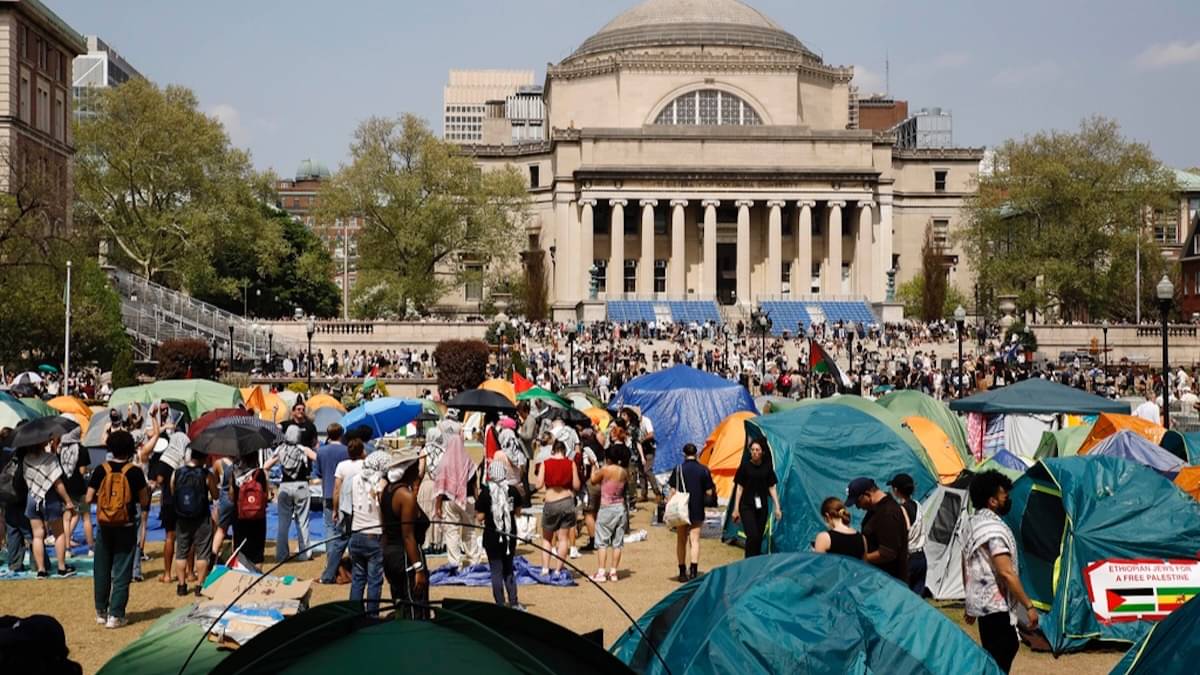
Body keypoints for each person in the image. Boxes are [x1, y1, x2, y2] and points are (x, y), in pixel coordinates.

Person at [963, 470, 1039, 673]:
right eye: (1004, 495)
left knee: (995, 654)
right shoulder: (992, 530)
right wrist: (1028, 605)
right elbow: (1006, 572)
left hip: (984, 605)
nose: (1008, 499)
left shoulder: (973, 524)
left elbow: (968, 566)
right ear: (992, 501)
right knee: (1004, 650)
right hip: (996, 606)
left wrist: (970, 602)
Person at [88, 431, 150, 629]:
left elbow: (88, 498)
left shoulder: (101, 470)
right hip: (126, 524)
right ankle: (116, 614)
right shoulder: (134, 471)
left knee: (102, 567)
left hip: (105, 524)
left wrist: (105, 503)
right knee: (122, 569)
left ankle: (100, 611)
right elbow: (144, 500)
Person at [381, 446, 430, 620]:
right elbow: (408, 535)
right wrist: (418, 569)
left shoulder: (387, 491)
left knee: (400, 605)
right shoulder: (405, 496)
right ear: (408, 469)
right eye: (416, 466)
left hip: (390, 555)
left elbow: (384, 529)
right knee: (414, 608)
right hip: (406, 556)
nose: (418, 469)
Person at [21, 436, 77, 578]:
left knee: (37, 536)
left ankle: (41, 570)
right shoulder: (50, 459)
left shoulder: (26, 459)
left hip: (32, 498)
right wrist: (68, 500)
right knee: (59, 533)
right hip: (50, 498)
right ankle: (62, 567)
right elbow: (57, 483)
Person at [264, 425, 318, 562]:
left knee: (283, 523)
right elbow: (316, 457)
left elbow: (266, 466)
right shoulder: (302, 450)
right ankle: (304, 553)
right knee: (303, 521)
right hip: (301, 486)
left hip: (284, 487)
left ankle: (281, 555)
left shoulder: (281, 449)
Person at [475, 460, 523, 608]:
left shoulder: (486, 493)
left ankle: (500, 604)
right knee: (509, 569)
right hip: (509, 536)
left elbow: (480, 517)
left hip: (492, 536)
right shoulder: (513, 491)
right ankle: (514, 601)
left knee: (496, 571)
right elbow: (518, 512)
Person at [433, 421, 481, 571]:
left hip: (449, 502)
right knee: (470, 531)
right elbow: (474, 485)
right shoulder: (468, 460)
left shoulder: (444, 462)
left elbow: (440, 487)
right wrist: (478, 504)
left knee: (452, 532)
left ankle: (455, 563)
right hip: (468, 500)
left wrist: (437, 506)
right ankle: (474, 561)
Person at [171, 449, 218, 597]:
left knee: (181, 552)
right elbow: (215, 494)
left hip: (182, 518)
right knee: (203, 552)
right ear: (204, 458)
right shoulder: (206, 474)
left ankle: (181, 585)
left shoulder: (177, 473)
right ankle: (199, 586)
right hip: (202, 518)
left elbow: (173, 492)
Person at [348, 450, 390, 615]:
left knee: (358, 578)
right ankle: (371, 616)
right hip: (374, 533)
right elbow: (383, 510)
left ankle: (353, 614)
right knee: (374, 580)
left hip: (356, 531)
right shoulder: (381, 482)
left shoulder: (355, 479)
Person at [847, 477, 909, 583]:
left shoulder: (888, 513)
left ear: (867, 495)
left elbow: (888, 553)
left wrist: (863, 558)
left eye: (857, 502)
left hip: (889, 580)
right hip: (877, 577)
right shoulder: (875, 510)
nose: (857, 507)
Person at [667, 443, 716, 580]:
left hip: (681, 508)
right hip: (697, 507)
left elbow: (672, 490)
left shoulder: (678, 470)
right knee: (695, 540)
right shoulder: (703, 470)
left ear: (684, 454)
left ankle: (682, 572)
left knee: (681, 540)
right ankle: (694, 570)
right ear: (696, 454)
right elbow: (709, 491)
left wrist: (668, 505)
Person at [533, 439, 580, 580]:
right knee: (563, 538)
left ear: (553, 450)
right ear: (564, 451)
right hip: (567, 501)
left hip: (551, 501)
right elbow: (576, 485)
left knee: (547, 538)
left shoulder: (545, 463)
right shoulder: (570, 463)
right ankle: (559, 570)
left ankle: (545, 568)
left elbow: (538, 485)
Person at [320, 438, 364, 584]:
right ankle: (358, 571)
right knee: (358, 540)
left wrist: (335, 509)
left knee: (340, 542)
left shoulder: (342, 466)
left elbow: (337, 489)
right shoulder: (364, 465)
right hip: (360, 507)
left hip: (345, 507)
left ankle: (328, 574)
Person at [731, 440, 782, 560]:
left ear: (762, 452)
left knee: (758, 536)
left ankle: (756, 561)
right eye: (752, 450)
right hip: (746, 506)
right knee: (752, 535)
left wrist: (777, 507)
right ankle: (748, 561)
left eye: (757, 450)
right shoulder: (745, 466)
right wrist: (735, 508)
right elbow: (739, 488)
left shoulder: (767, 467)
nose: (754, 452)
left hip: (762, 506)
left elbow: (772, 487)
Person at [589, 443, 629, 583]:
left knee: (602, 542)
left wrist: (593, 466)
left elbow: (593, 480)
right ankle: (613, 572)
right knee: (617, 543)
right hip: (620, 507)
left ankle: (601, 572)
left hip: (607, 507)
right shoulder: (624, 472)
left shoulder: (606, 470)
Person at [314, 423, 349, 559]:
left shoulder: (321, 452)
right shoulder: (346, 451)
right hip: (344, 493)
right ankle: (341, 557)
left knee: (329, 526)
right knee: (344, 527)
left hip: (328, 491)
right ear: (341, 435)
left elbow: (318, 473)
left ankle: (331, 558)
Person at [889, 473, 927, 596]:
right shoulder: (918, 505)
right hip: (921, 556)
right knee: (917, 599)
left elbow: (902, 534)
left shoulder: (901, 509)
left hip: (908, 557)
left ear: (896, 490)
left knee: (903, 597)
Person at [59, 427, 92, 557]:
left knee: (66, 518)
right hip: (80, 488)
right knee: (86, 517)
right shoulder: (82, 450)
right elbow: (83, 471)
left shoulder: (61, 450)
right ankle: (91, 548)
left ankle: (67, 549)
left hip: (65, 488)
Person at [230, 455, 269, 565]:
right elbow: (266, 495)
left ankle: (241, 578)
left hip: (240, 515)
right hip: (258, 516)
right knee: (257, 552)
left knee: (240, 550)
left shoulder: (235, 474)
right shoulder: (260, 473)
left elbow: (231, 495)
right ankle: (256, 578)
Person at [210, 455, 236, 561]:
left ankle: (213, 556)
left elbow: (215, 480)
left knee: (221, 530)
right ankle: (235, 557)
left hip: (225, 498)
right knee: (237, 530)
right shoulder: (241, 463)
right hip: (238, 497)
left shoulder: (218, 463)